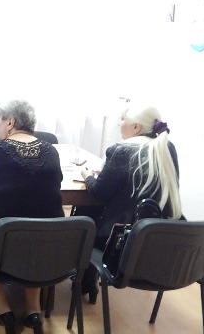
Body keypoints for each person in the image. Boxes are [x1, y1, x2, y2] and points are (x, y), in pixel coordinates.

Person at [0, 100, 64, 334]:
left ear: (10, 122)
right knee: (34, 234)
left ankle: (3, 307)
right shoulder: (51, 151)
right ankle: (33, 308)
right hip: (47, 246)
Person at [79, 103, 182, 302]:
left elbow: (99, 193)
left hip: (123, 241)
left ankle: (84, 277)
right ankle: (86, 279)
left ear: (136, 127)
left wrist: (88, 176)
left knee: (86, 212)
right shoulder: (167, 148)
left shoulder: (121, 150)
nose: (119, 124)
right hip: (161, 241)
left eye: (122, 120)